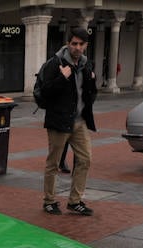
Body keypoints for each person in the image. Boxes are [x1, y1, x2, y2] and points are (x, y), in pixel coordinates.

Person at [38, 27, 98, 216]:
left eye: (81, 44)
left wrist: (92, 82)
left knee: (85, 159)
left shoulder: (86, 65)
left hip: (79, 122)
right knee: (53, 163)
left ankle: (75, 201)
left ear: (86, 46)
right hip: (59, 122)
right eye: (74, 43)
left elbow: (90, 94)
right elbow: (45, 93)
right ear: (68, 44)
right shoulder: (55, 63)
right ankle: (49, 201)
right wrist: (62, 78)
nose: (77, 47)